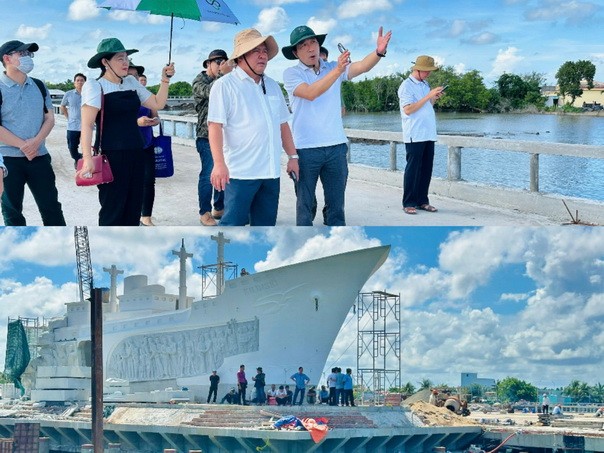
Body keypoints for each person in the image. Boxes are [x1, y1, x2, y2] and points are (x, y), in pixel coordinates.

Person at [282, 25, 391, 226]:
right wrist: (339, 69)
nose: (310, 48)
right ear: (296, 52)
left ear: (318, 44)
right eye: (303, 45)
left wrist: (378, 52)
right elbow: (311, 93)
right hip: (305, 150)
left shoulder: (332, 67)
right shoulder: (291, 74)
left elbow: (362, 66)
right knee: (305, 206)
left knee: (337, 207)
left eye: (313, 42)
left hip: (336, 148)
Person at [79, 37, 174, 226]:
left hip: (137, 151)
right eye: (119, 58)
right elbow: (87, 125)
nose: (125, 62)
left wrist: (165, 79)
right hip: (111, 155)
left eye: (126, 58)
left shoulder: (131, 81)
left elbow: (157, 103)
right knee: (113, 208)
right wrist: (88, 159)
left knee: (133, 207)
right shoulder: (94, 86)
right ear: (105, 62)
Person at [208, 28, 299, 226]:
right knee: (232, 228)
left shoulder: (273, 85)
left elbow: (283, 124)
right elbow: (215, 126)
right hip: (241, 173)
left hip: (270, 173)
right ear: (240, 57)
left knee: (266, 228)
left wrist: (293, 156)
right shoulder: (225, 85)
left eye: (265, 51)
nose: (262, 55)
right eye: (255, 50)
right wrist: (219, 163)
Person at [0, 40, 66, 226]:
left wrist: (36, 142)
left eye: (29, 54)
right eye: (22, 54)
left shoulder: (38, 85)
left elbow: (49, 119)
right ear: (7, 58)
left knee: (51, 207)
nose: (28, 58)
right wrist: (23, 145)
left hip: (39, 156)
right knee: (12, 212)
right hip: (8, 160)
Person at [397, 55, 444, 215]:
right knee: (413, 169)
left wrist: (433, 98)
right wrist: (428, 96)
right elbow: (408, 109)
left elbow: (427, 105)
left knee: (426, 169)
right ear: (417, 69)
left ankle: (423, 201)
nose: (429, 74)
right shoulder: (406, 86)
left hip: (428, 132)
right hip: (414, 134)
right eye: (426, 71)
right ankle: (408, 202)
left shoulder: (425, 84)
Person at [192, 49, 231, 226]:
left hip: (224, 135)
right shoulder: (199, 81)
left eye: (224, 62)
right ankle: (204, 212)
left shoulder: (226, 80)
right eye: (218, 62)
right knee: (208, 173)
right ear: (208, 64)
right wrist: (223, 75)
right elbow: (211, 92)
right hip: (205, 136)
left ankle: (219, 207)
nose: (221, 65)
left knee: (224, 173)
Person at [127, 60, 160, 227]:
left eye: (136, 75)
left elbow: (157, 115)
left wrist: (154, 121)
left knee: (148, 180)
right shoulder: (119, 95)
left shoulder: (146, 95)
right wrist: (135, 122)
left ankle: (146, 216)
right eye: (130, 75)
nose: (133, 78)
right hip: (127, 146)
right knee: (129, 182)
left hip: (147, 143)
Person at [60, 73, 87, 168]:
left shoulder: (89, 94)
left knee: (86, 147)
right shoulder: (69, 94)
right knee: (72, 147)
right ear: (74, 83)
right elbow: (62, 106)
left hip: (86, 126)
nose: (80, 82)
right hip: (72, 126)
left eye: (82, 80)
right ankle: (78, 158)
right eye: (78, 80)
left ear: (85, 82)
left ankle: (84, 163)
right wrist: (68, 117)